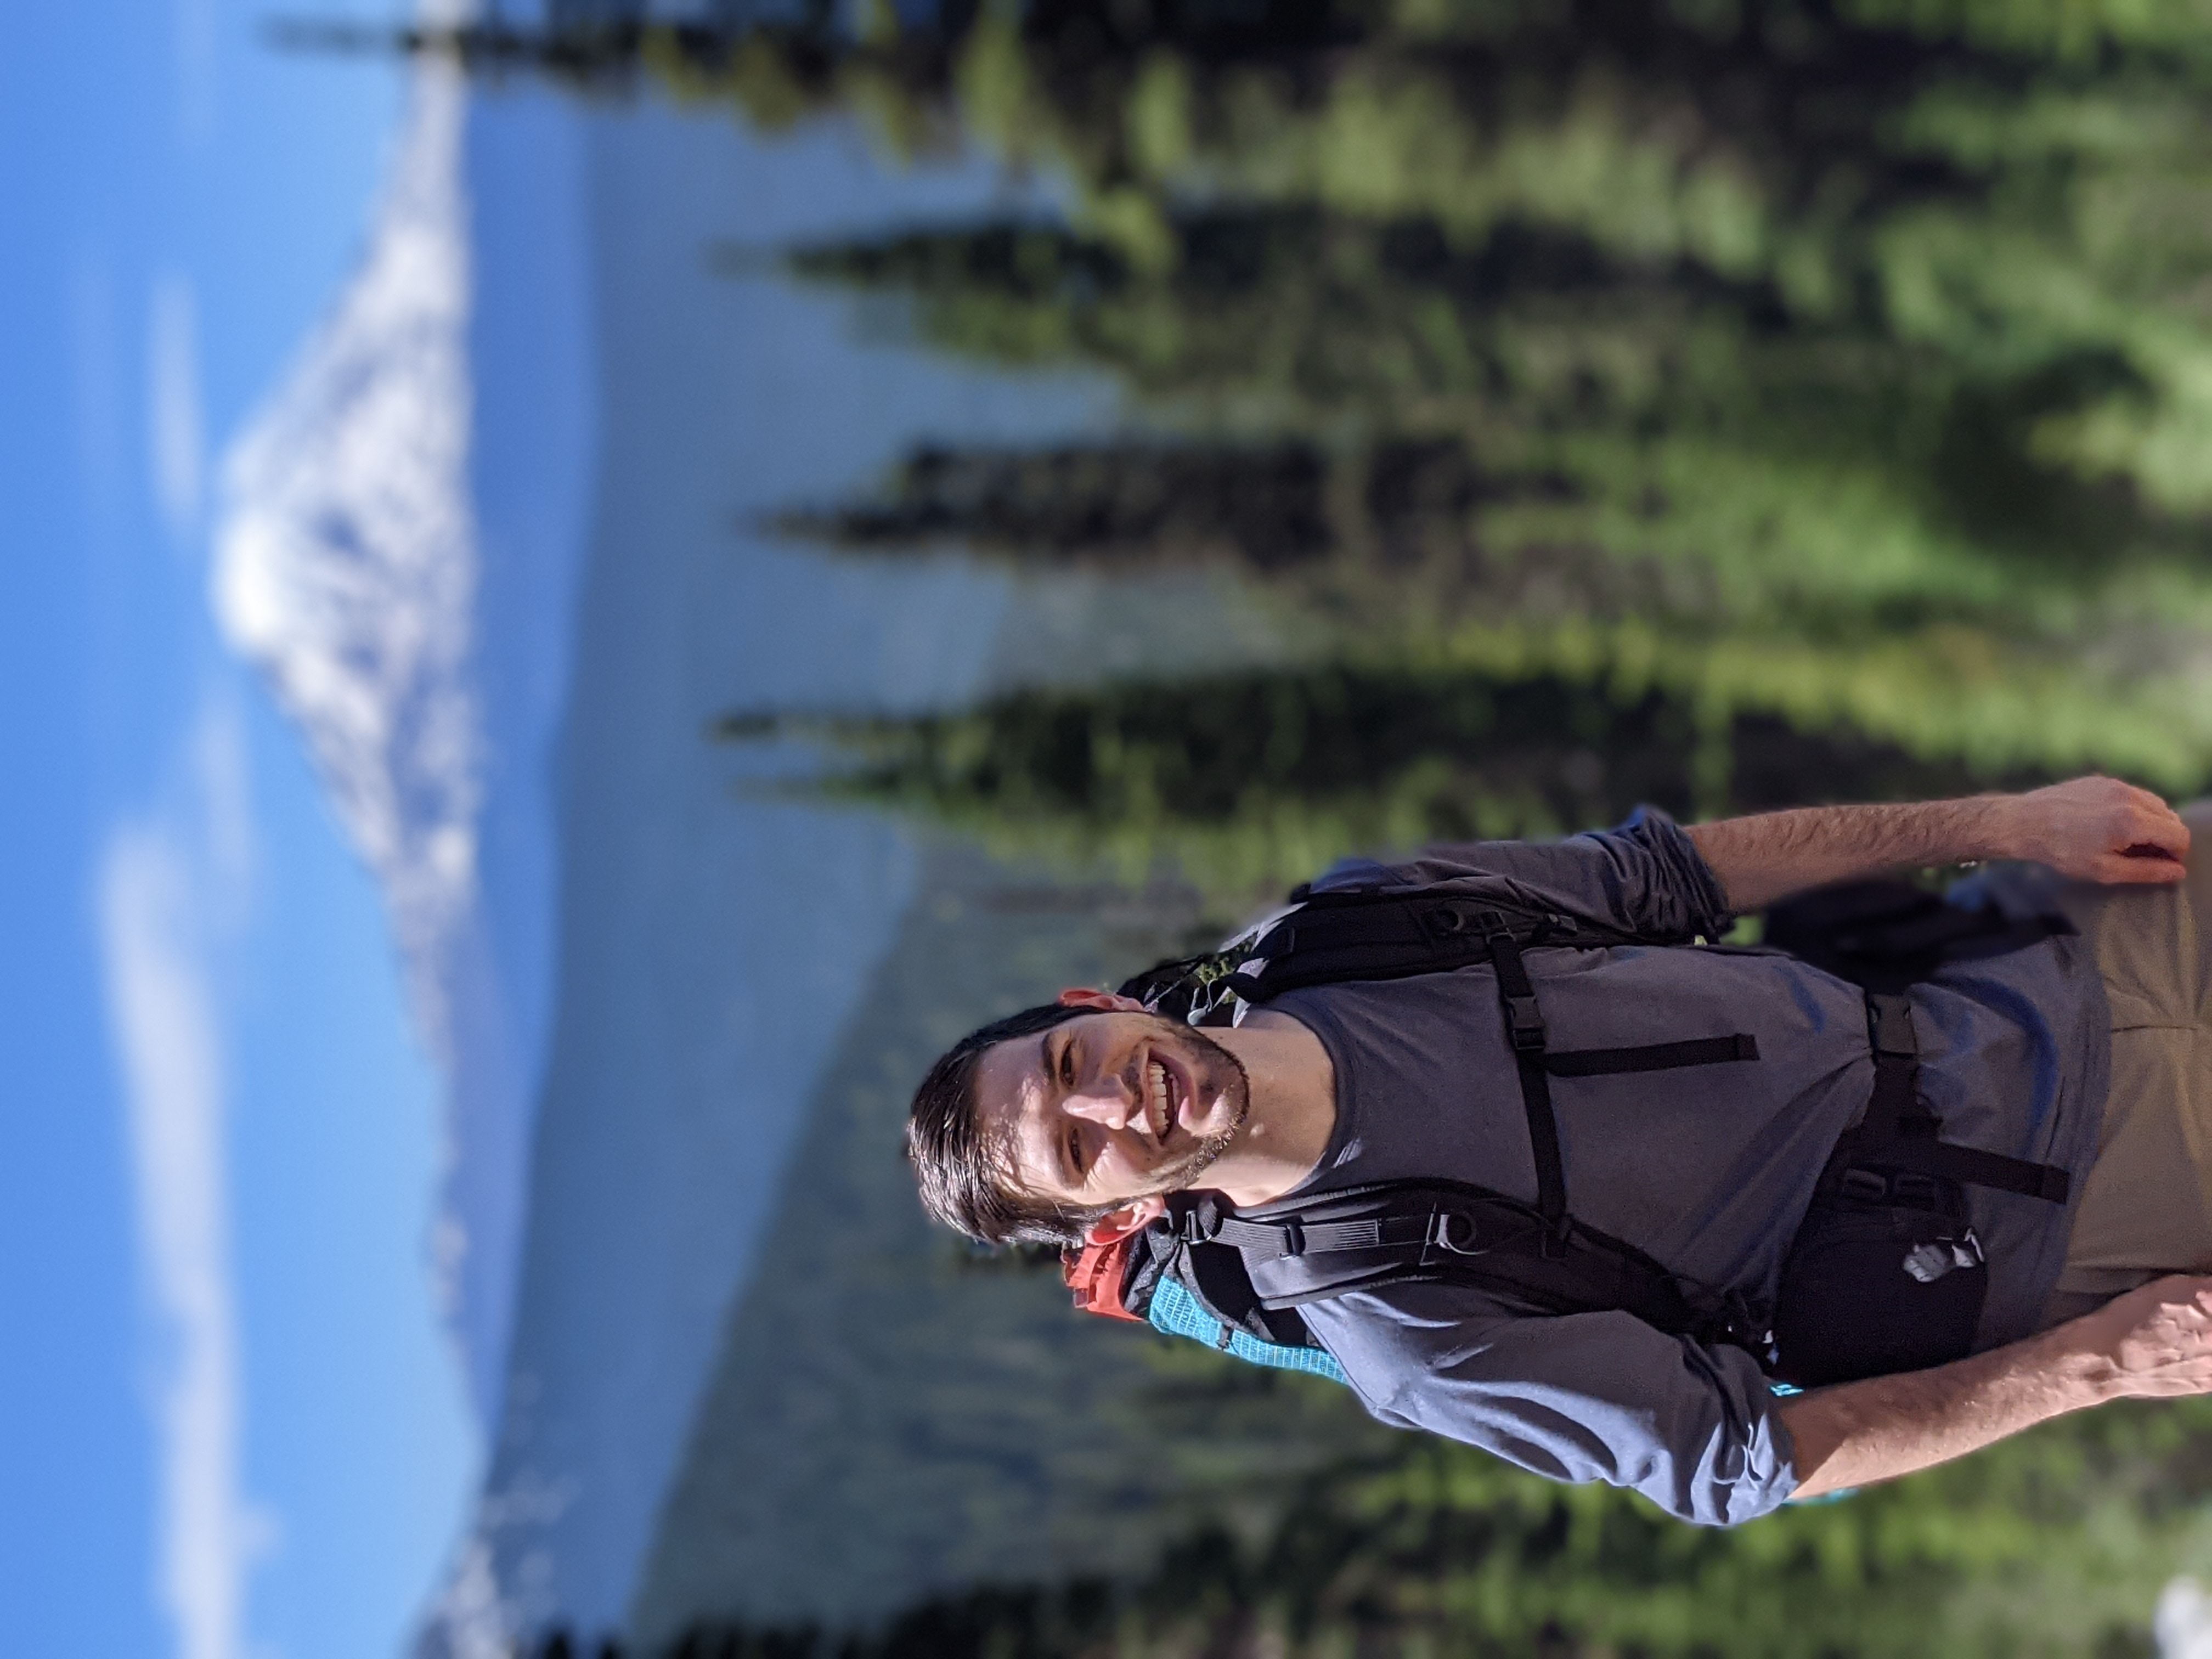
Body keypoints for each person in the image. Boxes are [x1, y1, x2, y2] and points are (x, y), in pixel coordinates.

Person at [905, 776, 2212, 1525]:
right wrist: (2099, 1366)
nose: (1113, 1107)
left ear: (1096, 1010)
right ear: (1105, 1218)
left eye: (1071, 1068)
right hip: (2059, 1194)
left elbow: (1667, 876)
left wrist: (2014, 820)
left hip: (2029, 963)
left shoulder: (1345, 930)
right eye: (1076, 1154)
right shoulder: (1403, 1324)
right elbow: (1742, 1460)